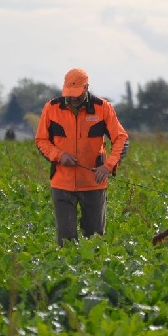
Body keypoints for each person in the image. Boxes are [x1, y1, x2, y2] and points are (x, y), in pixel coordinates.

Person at [35, 68, 129, 246]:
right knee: (66, 240)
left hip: (93, 183)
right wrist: (59, 155)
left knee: (94, 240)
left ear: (86, 88)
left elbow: (121, 138)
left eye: (77, 93)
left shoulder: (103, 108)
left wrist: (107, 166)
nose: (73, 98)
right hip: (62, 184)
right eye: (69, 93)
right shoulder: (51, 108)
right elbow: (41, 140)